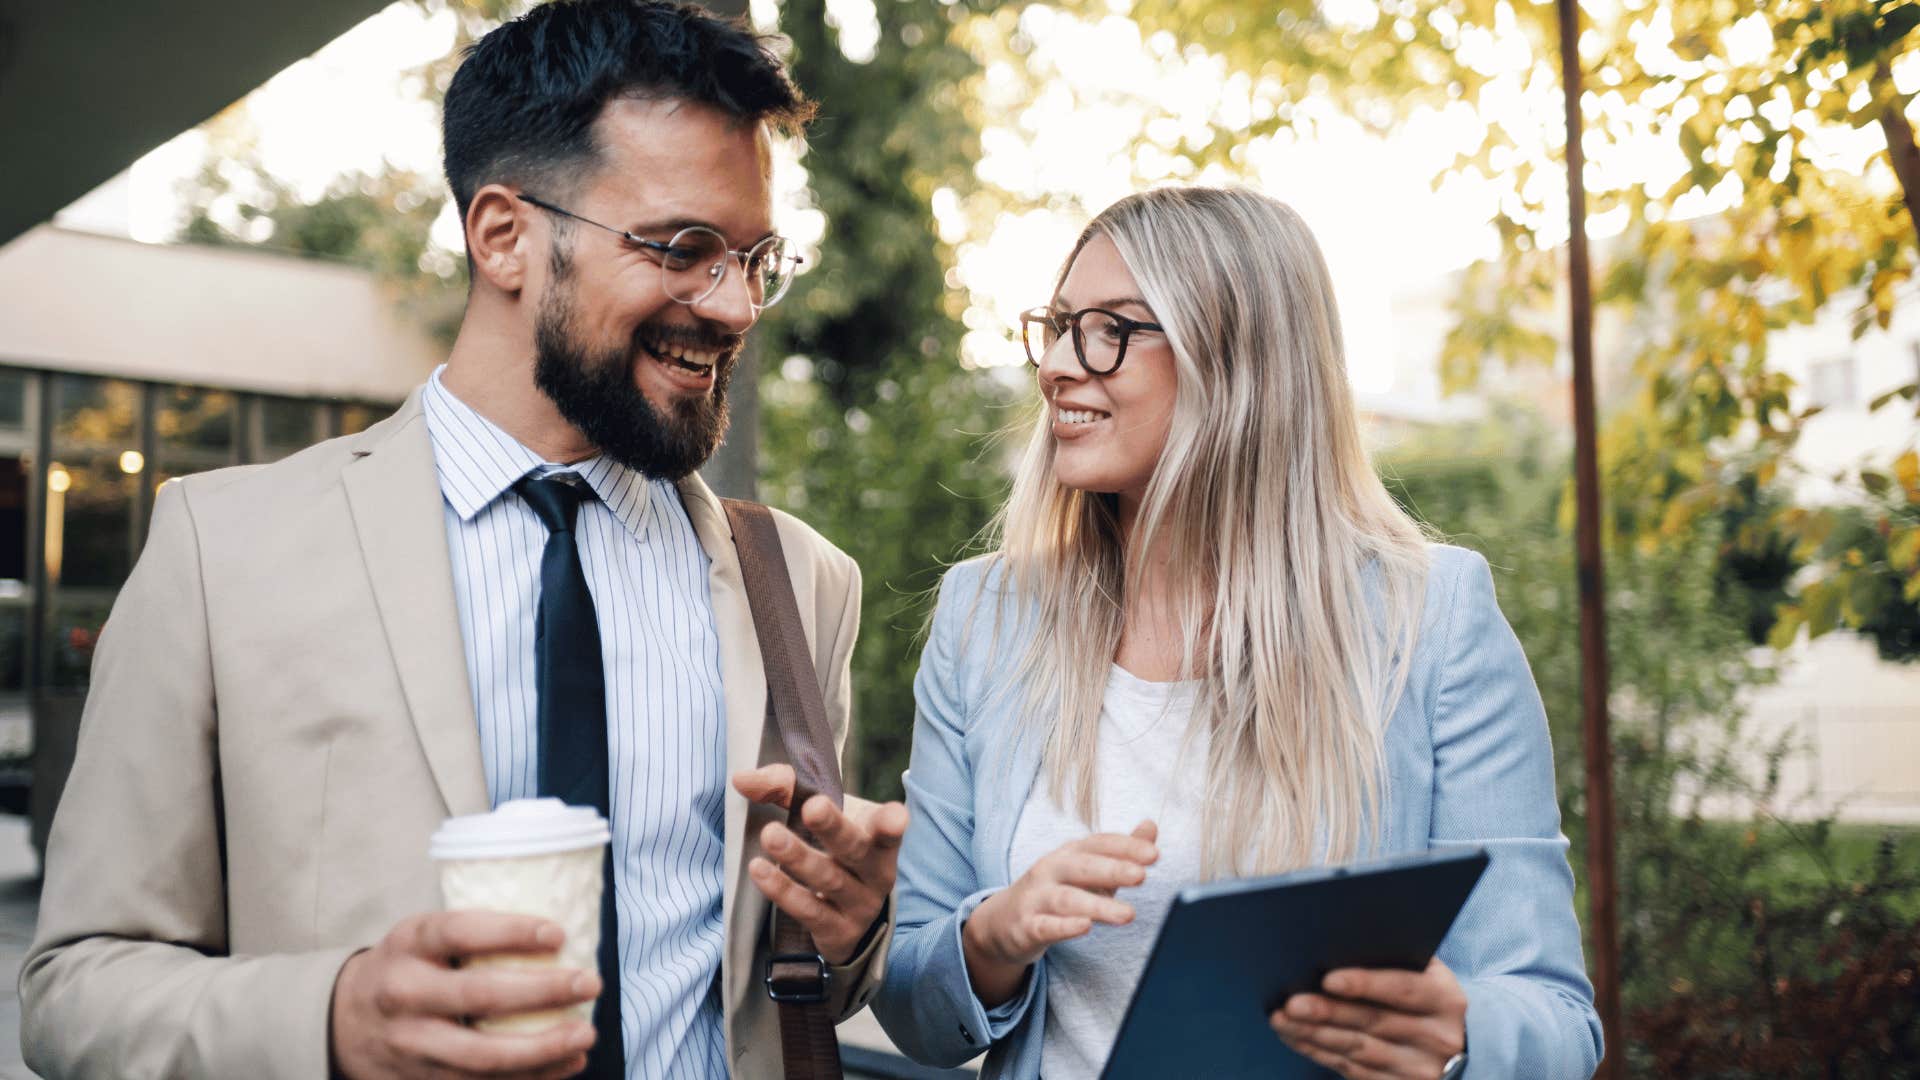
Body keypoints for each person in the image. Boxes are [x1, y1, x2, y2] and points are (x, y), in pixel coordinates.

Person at [20, 2, 906, 1078]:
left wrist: (852, 927)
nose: (734, 306)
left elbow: (809, 980)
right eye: (685, 249)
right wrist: (333, 1019)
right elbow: (75, 990)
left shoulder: (801, 582)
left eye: (755, 257)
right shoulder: (221, 551)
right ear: (502, 237)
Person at [871, 186, 1604, 1079]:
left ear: (1239, 359)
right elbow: (910, 1004)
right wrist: (992, 936)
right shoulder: (986, 617)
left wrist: (1459, 1038)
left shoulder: (1430, 620)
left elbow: (1557, 1020)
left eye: (1109, 330)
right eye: (1058, 326)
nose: (1058, 364)